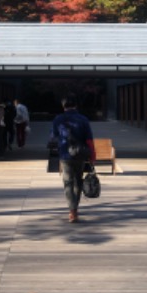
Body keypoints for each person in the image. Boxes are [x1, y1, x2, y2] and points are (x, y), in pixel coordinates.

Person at [50, 94, 95, 223]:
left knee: (68, 182)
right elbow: (89, 140)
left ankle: (72, 211)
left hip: (65, 154)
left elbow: (53, 137)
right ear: (76, 105)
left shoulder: (58, 119)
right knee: (78, 181)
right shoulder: (83, 119)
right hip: (80, 154)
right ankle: (75, 209)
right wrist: (92, 156)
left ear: (63, 106)